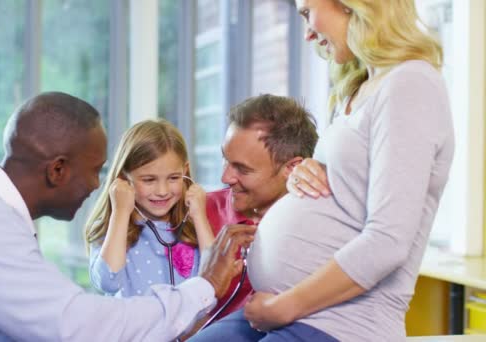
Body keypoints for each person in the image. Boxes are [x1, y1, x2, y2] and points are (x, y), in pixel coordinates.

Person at [0, 92, 256, 341]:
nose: (97, 184)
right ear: (57, 169)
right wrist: (204, 286)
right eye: (95, 169)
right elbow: (76, 327)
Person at [191, 0, 454, 341]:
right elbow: (352, 191)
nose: (307, 34)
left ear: (352, 5)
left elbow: (389, 240)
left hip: (340, 323)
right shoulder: (360, 90)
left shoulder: (410, 83)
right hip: (291, 310)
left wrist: (285, 306)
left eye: (306, 12)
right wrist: (307, 172)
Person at [203, 94, 319, 320]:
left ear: (292, 167)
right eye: (225, 160)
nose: (225, 177)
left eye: (242, 169)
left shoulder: (318, 227)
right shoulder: (199, 213)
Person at [85, 119, 214, 297]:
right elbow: (109, 282)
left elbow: (215, 278)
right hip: (134, 325)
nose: (162, 191)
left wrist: (200, 218)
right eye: (149, 180)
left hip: (194, 326)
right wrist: (121, 213)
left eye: (174, 178)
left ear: (185, 172)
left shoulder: (192, 225)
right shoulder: (110, 228)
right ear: (123, 178)